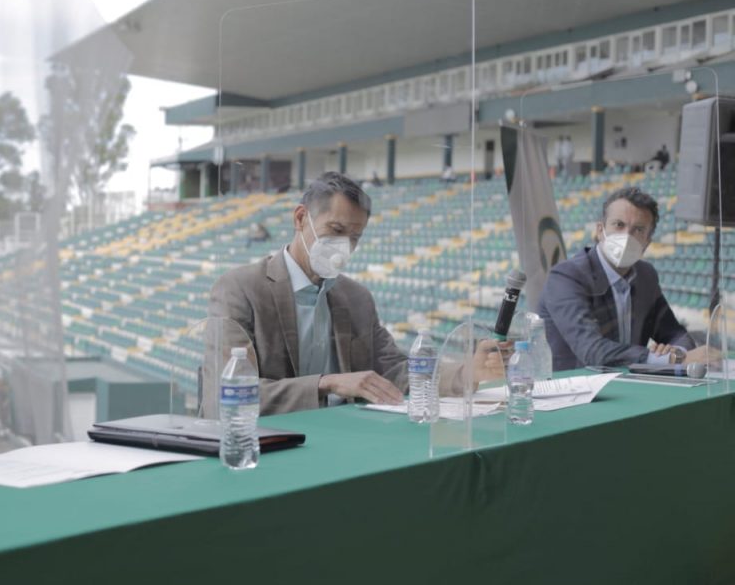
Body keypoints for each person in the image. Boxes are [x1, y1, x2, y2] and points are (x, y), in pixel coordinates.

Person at [208, 171, 502, 415]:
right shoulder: (239, 289)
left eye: (354, 238)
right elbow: (228, 391)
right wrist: (326, 383)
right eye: (335, 230)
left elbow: (396, 371)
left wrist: (469, 373)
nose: (343, 245)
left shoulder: (357, 298)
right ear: (300, 219)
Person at [537, 186, 711, 371]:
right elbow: (592, 351)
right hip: (574, 391)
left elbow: (674, 332)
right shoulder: (566, 277)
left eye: (638, 229)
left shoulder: (646, 275)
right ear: (600, 230)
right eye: (619, 225)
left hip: (630, 385)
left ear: (647, 242)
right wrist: (668, 360)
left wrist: (677, 351)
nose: (627, 236)